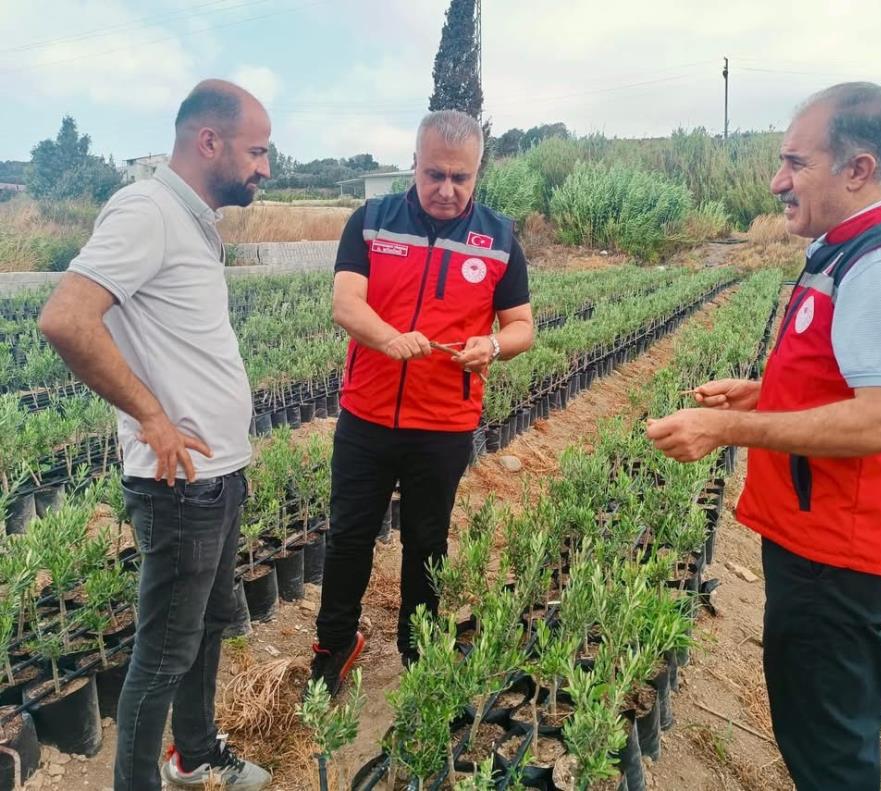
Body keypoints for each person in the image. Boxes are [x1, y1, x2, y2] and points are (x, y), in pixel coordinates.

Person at [647, 82, 881, 790]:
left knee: (828, 752)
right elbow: (850, 383)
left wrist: (726, 426)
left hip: (842, 551)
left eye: (795, 162)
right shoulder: (846, 252)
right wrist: (764, 393)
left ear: (855, 169)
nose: (776, 180)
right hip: (821, 536)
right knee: (818, 729)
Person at [38, 80, 272, 791]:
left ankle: (195, 753)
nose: (265, 167)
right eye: (256, 150)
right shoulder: (146, 209)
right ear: (209, 141)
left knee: (201, 631)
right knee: (162, 655)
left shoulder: (190, 218)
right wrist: (152, 417)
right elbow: (66, 317)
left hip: (216, 477)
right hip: (178, 488)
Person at [311, 109, 534, 691]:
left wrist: (490, 344)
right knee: (349, 535)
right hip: (366, 414)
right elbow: (345, 304)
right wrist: (390, 339)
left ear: (478, 174)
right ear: (413, 163)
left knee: (426, 540)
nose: (446, 189)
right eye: (434, 174)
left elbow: (522, 328)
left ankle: (419, 648)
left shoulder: (500, 238)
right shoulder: (371, 222)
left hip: (444, 422)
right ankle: (335, 645)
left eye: (461, 178)